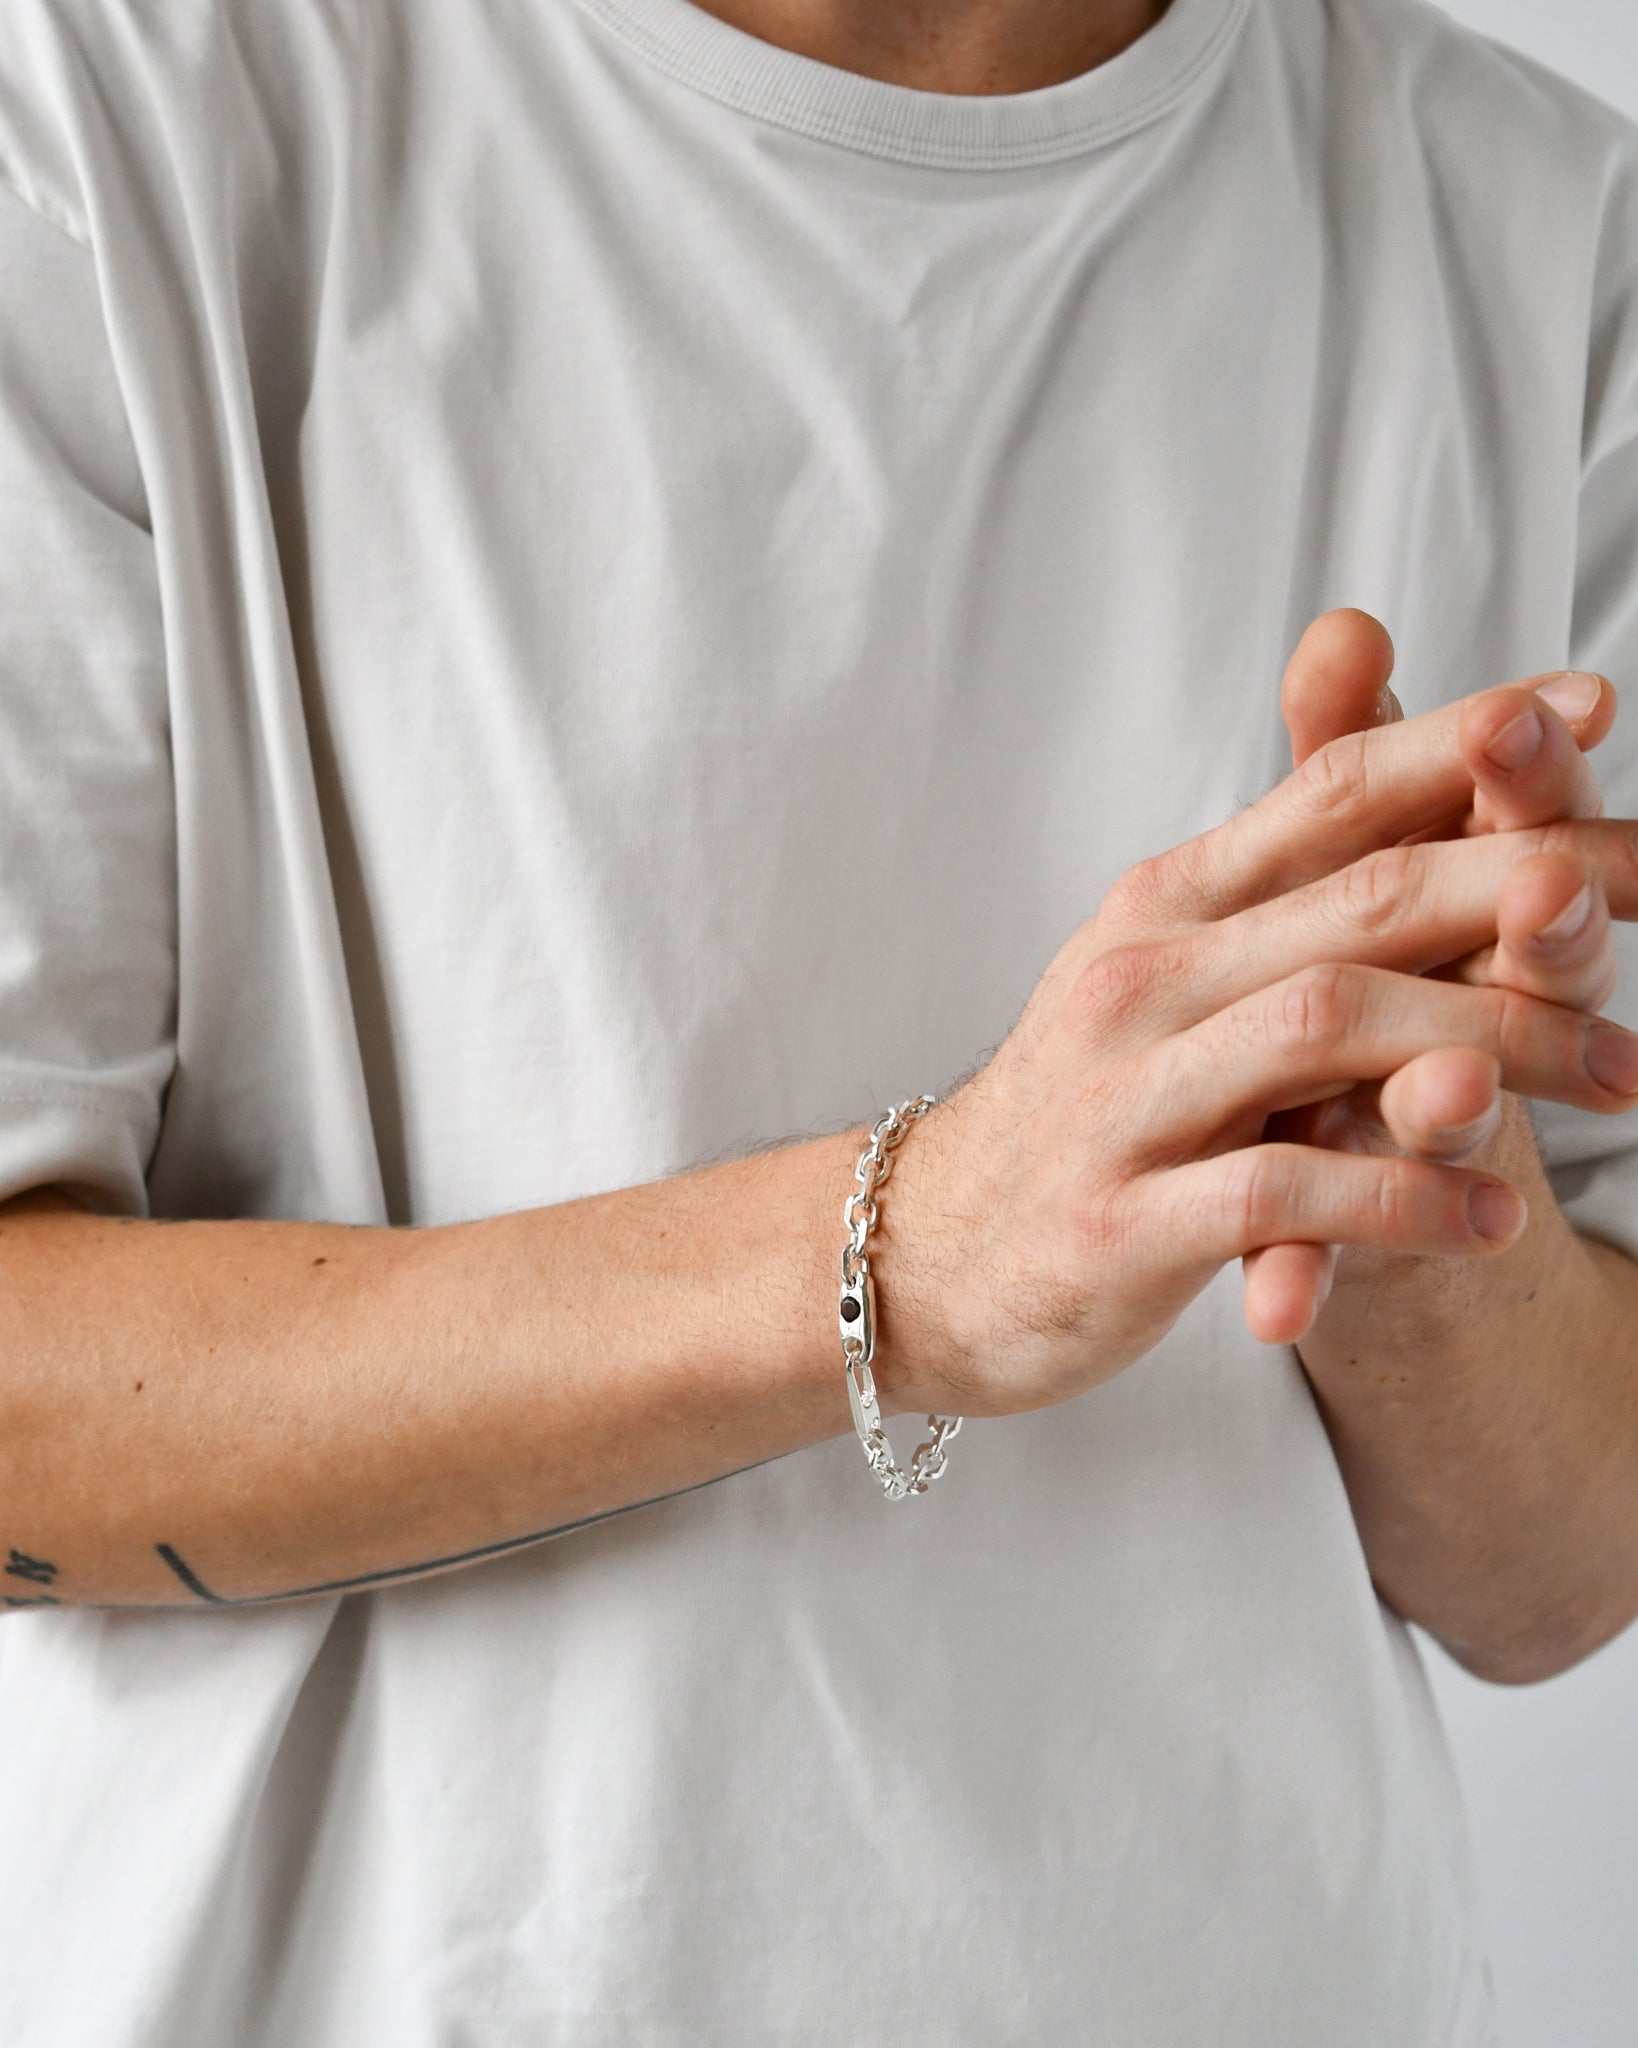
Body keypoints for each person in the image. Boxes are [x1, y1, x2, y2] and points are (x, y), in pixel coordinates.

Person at [1, 0, 1636, 2038]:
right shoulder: (100, 118)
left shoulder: (1547, 226)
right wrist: (909, 1252)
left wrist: (1429, 1226)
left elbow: (1563, 1582)